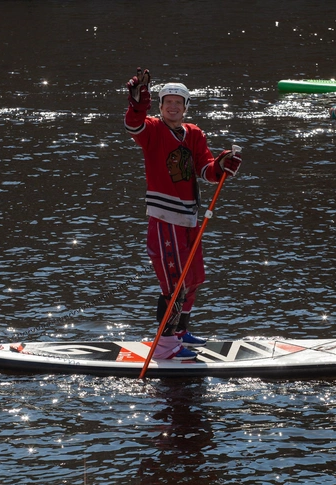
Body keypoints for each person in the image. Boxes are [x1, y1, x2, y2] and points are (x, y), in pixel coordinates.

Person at [124, 68, 242, 360]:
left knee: (194, 277)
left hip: (190, 218)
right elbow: (134, 125)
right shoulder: (152, 129)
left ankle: (181, 331)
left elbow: (206, 170)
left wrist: (224, 164)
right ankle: (165, 346)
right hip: (165, 218)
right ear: (160, 107)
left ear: (186, 107)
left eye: (178, 103)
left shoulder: (195, 133)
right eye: (167, 103)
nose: (173, 107)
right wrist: (138, 103)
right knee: (174, 283)